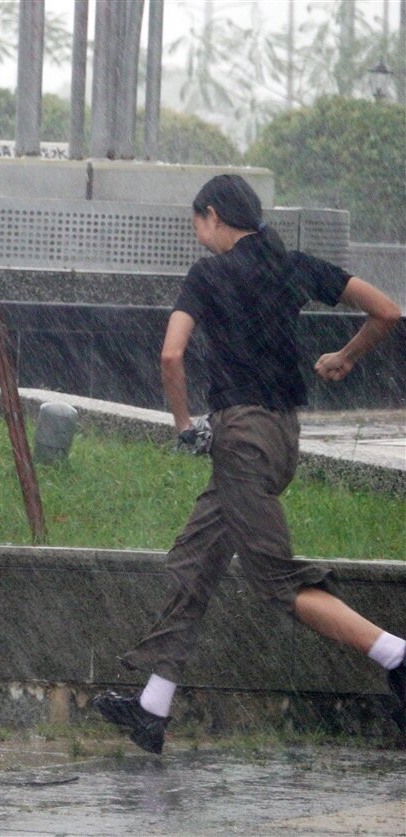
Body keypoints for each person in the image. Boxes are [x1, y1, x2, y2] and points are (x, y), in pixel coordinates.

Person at [95, 175, 405, 754]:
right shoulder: (294, 265)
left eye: (198, 224)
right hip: (283, 437)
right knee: (195, 558)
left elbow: (170, 354)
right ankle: (151, 708)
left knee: (275, 581)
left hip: (239, 440)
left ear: (213, 216)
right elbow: (387, 311)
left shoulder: (208, 275)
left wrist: (185, 428)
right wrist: (344, 357)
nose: (199, 237)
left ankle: (397, 655)